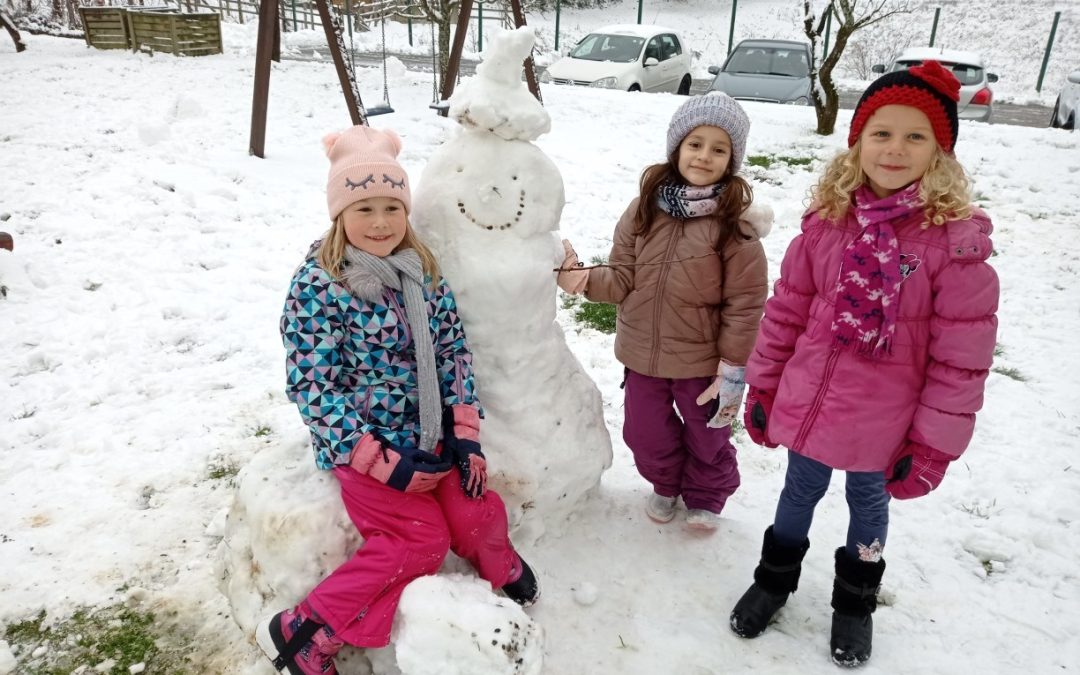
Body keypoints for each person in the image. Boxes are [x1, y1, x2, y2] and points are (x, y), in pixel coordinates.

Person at [728, 61, 998, 668]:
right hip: (811, 401)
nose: (895, 149)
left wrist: (931, 445)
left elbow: (961, 364)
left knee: (867, 508)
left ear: (941, 151)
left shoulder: (954, 248)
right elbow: (787, 313)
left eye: (915, 136)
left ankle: (854, 603)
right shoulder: (826, 226)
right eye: (882, 132)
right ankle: (774, 581)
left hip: (886, 423)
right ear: (857, 142)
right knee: (798, 493)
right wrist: (765, 386)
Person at [258, 126, 539, 675]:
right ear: (339, 213)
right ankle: (306, 629)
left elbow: (453, 351)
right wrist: (381, 461)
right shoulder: (318, 286)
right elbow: (314, 387)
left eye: (393, 206)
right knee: (419, 541)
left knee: (475, 505)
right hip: (368, 445)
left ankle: (498, 565)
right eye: (364, 207)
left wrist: (463, 433)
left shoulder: (423, 273)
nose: (382, 222)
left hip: (431, 435)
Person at [558, 93, 771, 532]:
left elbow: (745, 301)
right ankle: (665, 483)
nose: (704, 156)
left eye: (719, 148)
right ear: (677, 146)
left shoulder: (735, 225)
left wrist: (733, 364)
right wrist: (579, 277)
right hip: (642, 354)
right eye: (695, 143)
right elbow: (620, 278)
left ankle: (707, 494)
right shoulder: (642, 209)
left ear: (732, 159)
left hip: (701, 360)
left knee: (706, 434)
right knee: (644, 433)